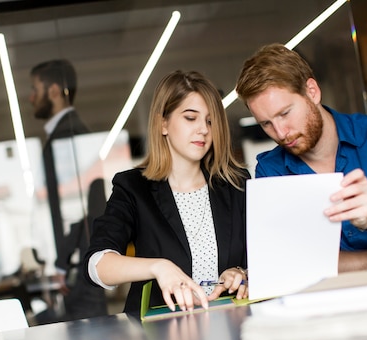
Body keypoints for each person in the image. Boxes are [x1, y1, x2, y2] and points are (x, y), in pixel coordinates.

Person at [235, 43, 367, 273]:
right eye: (266, 123)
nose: (281, 133)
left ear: (312, 91)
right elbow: (290, 265)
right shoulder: (271, 169)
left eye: (284, 113)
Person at [83, 70, 250, 314]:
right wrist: (158, 268)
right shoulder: (133, 188)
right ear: (163, 123)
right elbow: (96, 265)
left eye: (210, 121)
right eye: (191, 118)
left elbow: (264, 257)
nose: (203, 129)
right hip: (162, 339)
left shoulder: (237, 184)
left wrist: (242, 273)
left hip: (231, 329)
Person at [29, 59, 108, 321]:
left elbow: (82, 210)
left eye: (35, 90)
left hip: (78, 266)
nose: (31, 98)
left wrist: (61, 264)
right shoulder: (65, 134)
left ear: (53, 91)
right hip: (77, 264)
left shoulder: (68, 136)